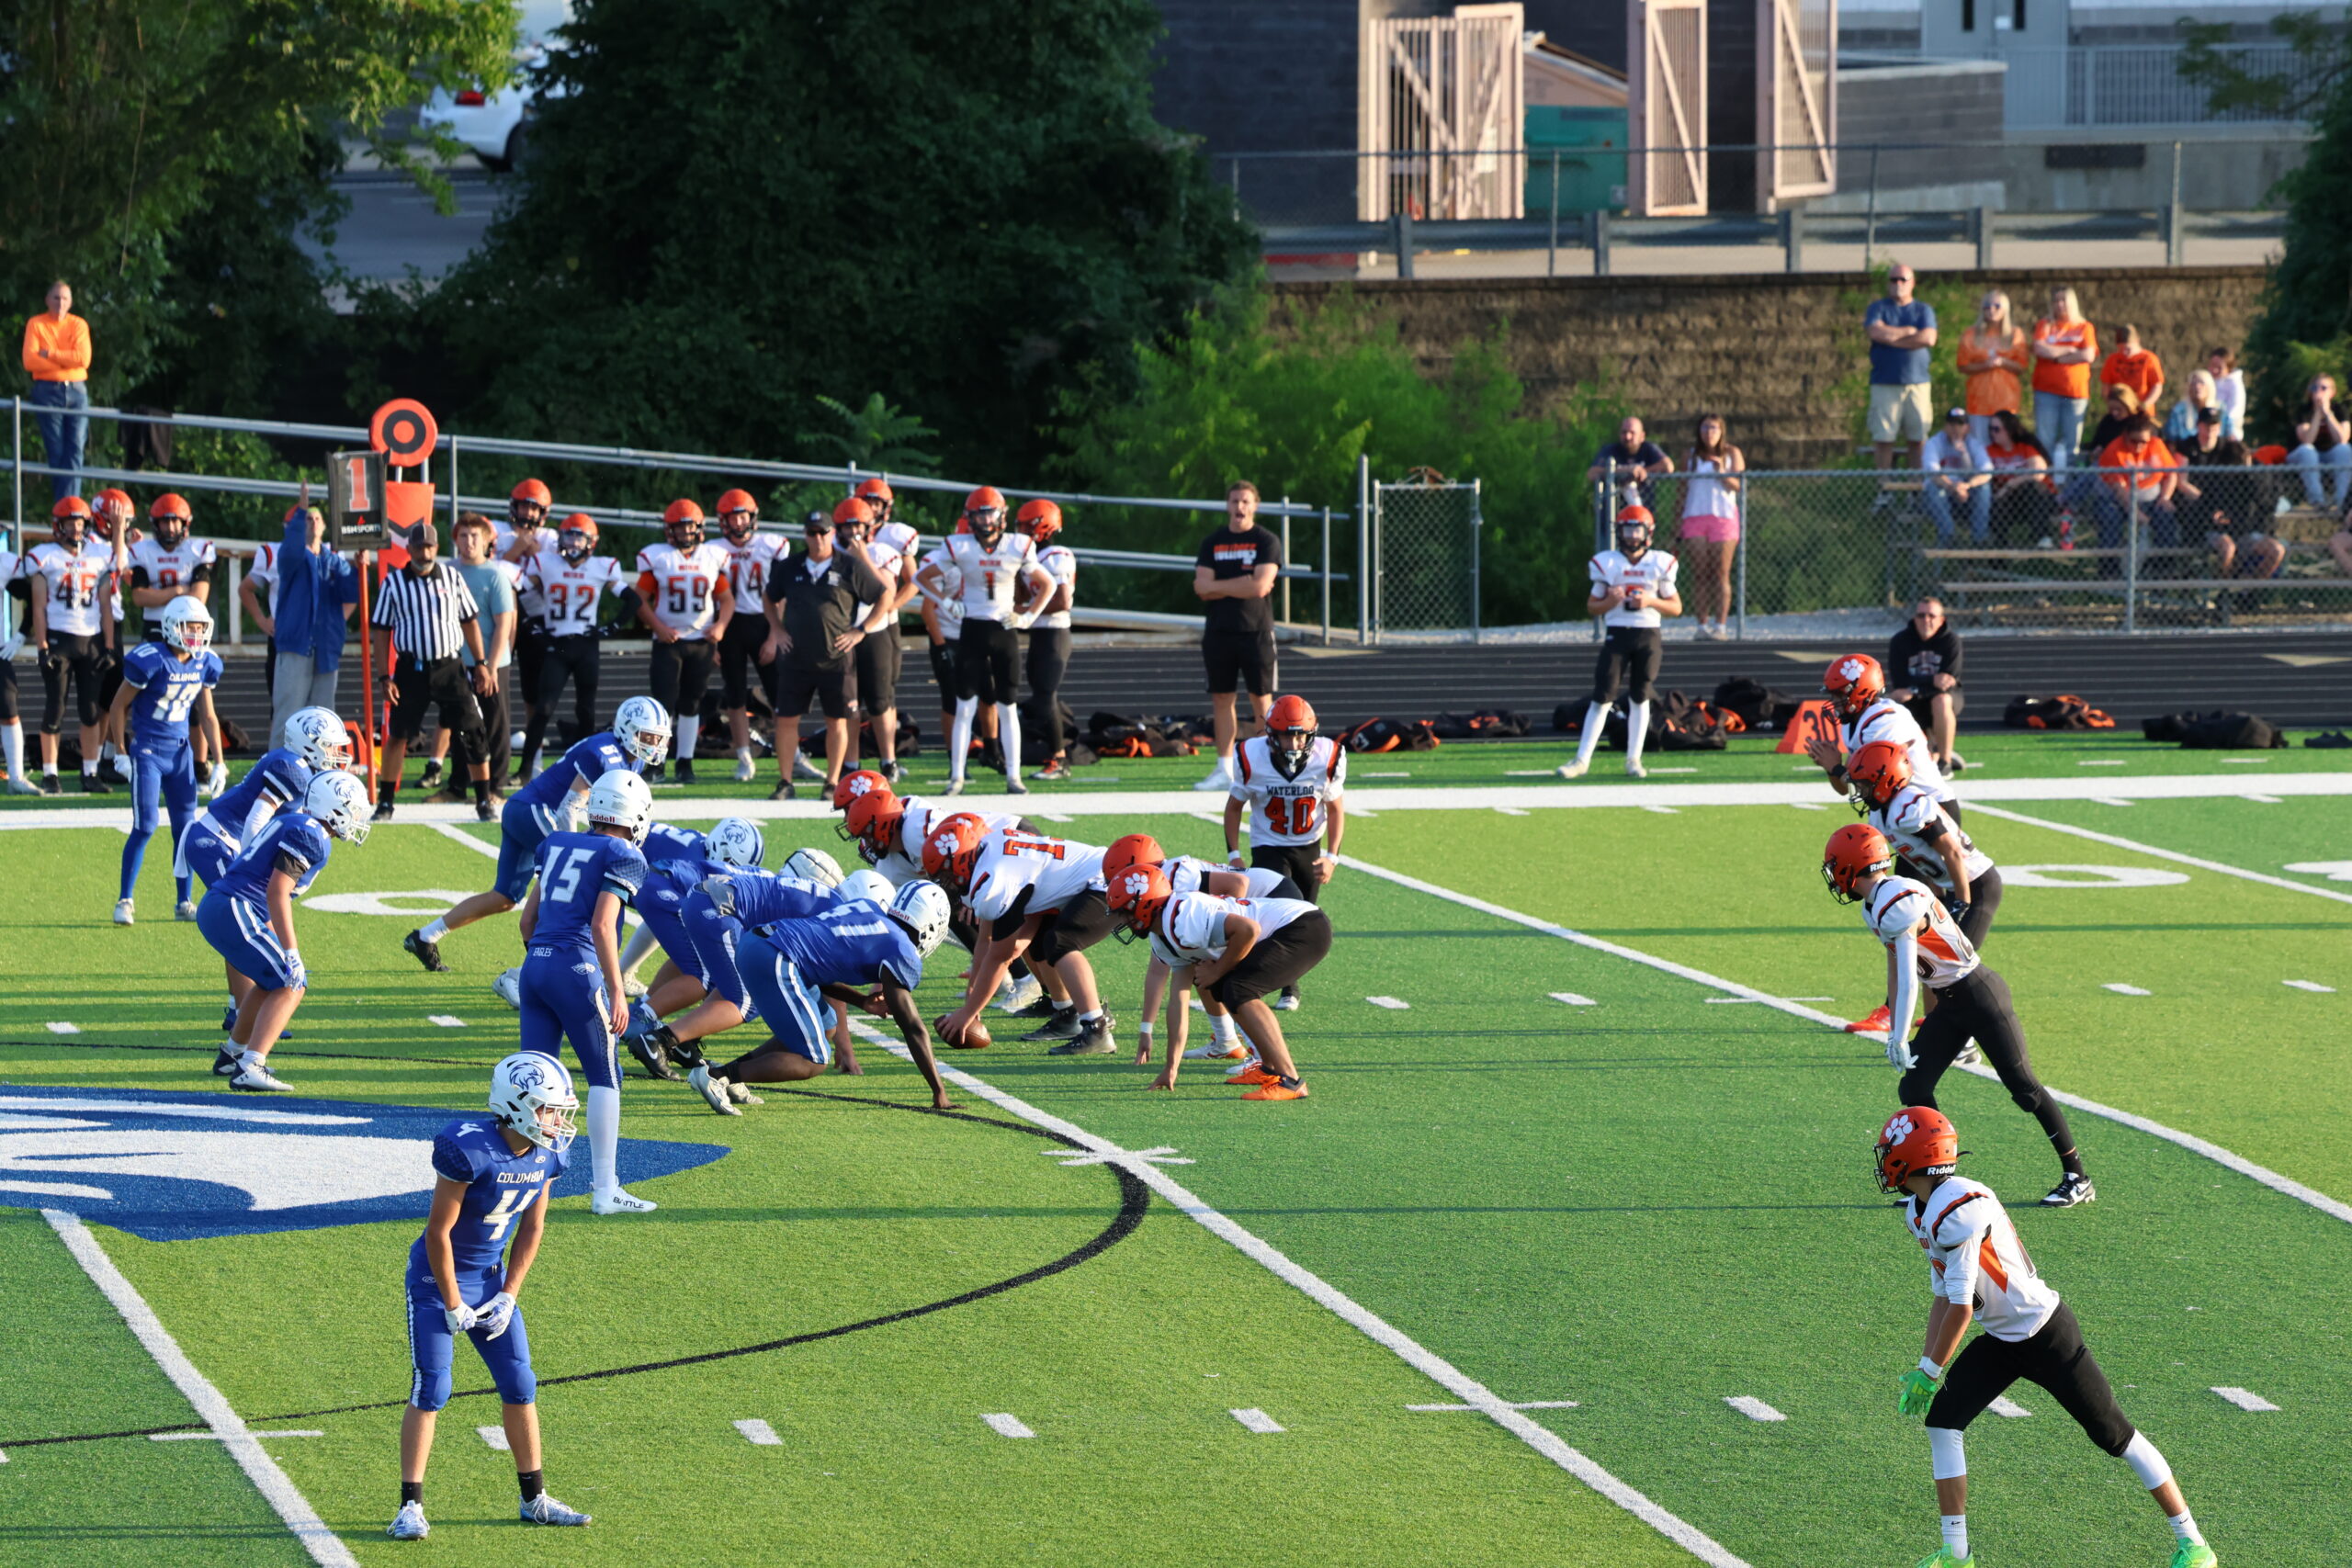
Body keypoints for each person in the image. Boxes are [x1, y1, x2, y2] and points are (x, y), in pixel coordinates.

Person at [1872, 1106, 2215, 1568]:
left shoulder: (1956, 1210)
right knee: (1943, 1424)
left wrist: (1933, 1372)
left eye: (1891, 1152)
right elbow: (1943, 1296)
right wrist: (1923, 1364)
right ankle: (1956, 1554)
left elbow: (1961, 1307)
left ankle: (2194, 1543)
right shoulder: (1922, 1211)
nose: (1885, 1161)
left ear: (1913, 1156)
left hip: (2046, 1333)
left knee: (2115, 1434)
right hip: (2002, 1339)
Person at [1824, 825, 2091, 1208]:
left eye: (1836, 866)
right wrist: (1894, 1029)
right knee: (1914, 1088)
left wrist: (1899, 1035)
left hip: (1978, 995)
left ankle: (2077, 1176)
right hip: (1949, 1004)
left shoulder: (1897, 901)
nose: (1833, 875)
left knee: (2024, 1087)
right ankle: (1937, 1180)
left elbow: (1911, 979)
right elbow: (1896, 968)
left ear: (1851, 867)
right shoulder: (1875, 905)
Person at [390, 1053, 594, 1540]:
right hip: (438, 1281)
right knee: (432, 1387)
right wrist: (452, 1301)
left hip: (490, 1280)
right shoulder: (471, 1149)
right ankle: (409, 1507)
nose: (557, 1121)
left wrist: (508, 1294)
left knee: (520, 1383)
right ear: (517, 1104)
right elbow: (438, 1233)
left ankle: (534, 1500)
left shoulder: (548, 1154)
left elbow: (533, 1227)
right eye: (548, 1109)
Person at [401, 696, 670, 974]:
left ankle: (425, 936)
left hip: (523, 810)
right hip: (537, 811)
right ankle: (549, 968)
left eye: (658, 738)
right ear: (626, 728)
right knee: (577, 885)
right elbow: (569, 806)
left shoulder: (630, 759)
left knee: (504, 897)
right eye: (648, 736)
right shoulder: (605, 753)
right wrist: (578, 849)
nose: (654, 744)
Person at [514, 768, 658, 1215]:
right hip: (577, 969)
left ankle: (522, 1181)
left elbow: (527, 921)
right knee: (605, 1075)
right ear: (635, 815)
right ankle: (605, 1189)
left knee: (536, 1080)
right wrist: (616, 987)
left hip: (534, 967)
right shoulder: (622, 854)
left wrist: (543, 961)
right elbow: (601, 925)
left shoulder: (556, 842)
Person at [693, 878, 957, 1112]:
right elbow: (912, 1027)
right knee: (814, 1059)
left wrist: (862, 1001)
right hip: (777, 956)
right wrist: (939, 1092)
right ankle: (718, 1076)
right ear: (930, 925)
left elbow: (818, 967)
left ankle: (730, 1076)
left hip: (762, 944)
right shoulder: (902, 950)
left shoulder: (868, 908)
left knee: (827, 1024)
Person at [196, 769, 373, 1092]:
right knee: (292, 982)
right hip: (235, 908)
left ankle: (233, 1054)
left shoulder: (297, 823)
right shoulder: (311, 834)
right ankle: (252, 1065)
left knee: (271, 980)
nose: (357, 818)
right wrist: (291, 952)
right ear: (335, 809)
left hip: (223, 908)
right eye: (353, 809)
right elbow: (277, 892)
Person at [179, 705, 351, 1038]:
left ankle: (242, 1008)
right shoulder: (293, 768)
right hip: (218, 840)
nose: (334, 753)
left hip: (222, 840)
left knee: (247, 922)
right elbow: (257, 817)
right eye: (329, 745)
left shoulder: (297, 765)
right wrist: (251, 861)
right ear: (311, 742)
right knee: (242, 920)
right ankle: (247, 1013)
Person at [1110, 864, 1330, 1100]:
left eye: (1126, 911)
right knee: (1224, 987)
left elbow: (1248, 929)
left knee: (1239, 989)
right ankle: (1269, 1068)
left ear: (1146, 904)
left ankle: (1291, 1081)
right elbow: (1178, 1002)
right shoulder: (1163, 937)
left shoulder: (1183, 917)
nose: (1123, 919)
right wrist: (1171, 1067)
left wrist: (1217, 970)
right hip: (1291, 926)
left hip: (1302, 926)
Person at [1102, 833, 1299, 1068]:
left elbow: (1238, 884)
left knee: (1233, 982)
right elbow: (1159, 967)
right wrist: (1146, 1028)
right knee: (1202, 965)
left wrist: (1225, 942)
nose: (1119, 885)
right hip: (1256, 908)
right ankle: (1226, 1041)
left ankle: (1262, 1059)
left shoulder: (1173, 880)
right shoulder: (1158, 899)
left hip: (1273, 897)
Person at [929, 816, 1119, 1055]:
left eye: (946, 876)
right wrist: (971, 1000)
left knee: (1061, 943)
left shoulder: (994, 879)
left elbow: (999, 956)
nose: (946, 884)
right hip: (1084, 879)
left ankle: (1097, 1028)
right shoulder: (988, 854)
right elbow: (986, 942)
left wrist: (968, 1012)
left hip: (1108, 880)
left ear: (962, 863)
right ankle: (1067, 1013)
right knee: (1038, 944)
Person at [920, 487, 1053, 797]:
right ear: (970, 517)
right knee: (964, 706)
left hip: (1004, 630)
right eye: (979, 514)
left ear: (1001, 515)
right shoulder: (960, 546)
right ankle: (956, 777)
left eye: (989, 513)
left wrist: (1028, 617)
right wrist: (946, 602)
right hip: (972, 630)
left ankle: (1014, 776)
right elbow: (921, 577)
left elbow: (1047, 583)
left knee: (1007, 706)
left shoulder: (1018, 545)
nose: (985, 520)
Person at [106, 596, 223, 925]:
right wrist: (120, 751)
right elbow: (117, 706)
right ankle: (125, 900)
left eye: (200, 628)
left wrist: (220, 761)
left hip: (182, 753)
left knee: (185, 830)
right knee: (145, 825)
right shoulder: (151, 659)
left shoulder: (204, 662)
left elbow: (208, 716)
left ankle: (184, 902)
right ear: (172, 627)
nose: (196, 634)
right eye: (189, 627)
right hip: (148, 751)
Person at [1222, 694, 1343, 1010]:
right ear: (1270, 734)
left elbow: (1336, 809)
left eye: (1300, 735)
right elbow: (1234, 807)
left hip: (1308, 846)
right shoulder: (1251, 755)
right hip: (1269, 845)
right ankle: (1266, 983)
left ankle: (1286, 983)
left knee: (1303, 918)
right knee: (1275, 916)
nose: (1294, 743)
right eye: (1287, 736)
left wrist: (1332, 857)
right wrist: (1234, 854)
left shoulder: (1327, 756)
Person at [369, 522, 496, 820]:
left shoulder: (452, 577)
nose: (424, 553)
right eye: (419, 547)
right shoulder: (394, 583)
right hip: (410, 669)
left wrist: (481, 663)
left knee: (473, 731)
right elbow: (381, 631)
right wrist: (384, 676)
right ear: (409, 548)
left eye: (429, 547)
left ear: (436, 548)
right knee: (398, 734)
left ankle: (483, 800)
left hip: (450, 667)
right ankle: (386, 802)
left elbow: (469, 621)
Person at [763, 500, 889, 800]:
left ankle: (832, 782)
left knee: (837, 720)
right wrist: (776, 629)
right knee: (786, 719)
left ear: (833, 533)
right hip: (796, 656)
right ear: (805, 534)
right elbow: (769, 597)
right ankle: (785, 781)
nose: (817, 537)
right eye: (812, 532)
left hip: (836, 656)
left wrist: (861, 631)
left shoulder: (849, 565)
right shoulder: (790, 566)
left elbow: (883, 595)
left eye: (822, 532)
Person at [1558, 505, 1680, 780]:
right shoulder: (1608, 562)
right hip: (1617, 633)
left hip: (1648, 633)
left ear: (1648, 532)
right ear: (1619, 531)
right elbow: (1592, 606)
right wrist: (1610, 601)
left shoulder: (1660, 562)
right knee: (1603, 694)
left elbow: (1676, 607)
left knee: (1640, 695)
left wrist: (1650, 601)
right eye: (1628, 529)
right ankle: (1581, 760)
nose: (1632, 535)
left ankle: (1633, 759)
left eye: (1637, 529)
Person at [1846, 740, 1999, 950]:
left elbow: (1952, 851)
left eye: (1864, 785)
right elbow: (1924, 858)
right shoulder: (1880, 815)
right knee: (1931, 956)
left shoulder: (1908, 807)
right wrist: (1939, 896)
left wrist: (1961, 902)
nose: (1860, 791)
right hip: (1954, 886)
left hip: (1976, 885)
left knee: (1956, 958)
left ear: (1885, 780)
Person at [1189, 480, 1283, 793]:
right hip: (1219, 631)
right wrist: (1242, 582)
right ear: (1227, 505)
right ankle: (1224, 769)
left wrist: (1222, 585)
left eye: (1245, 501)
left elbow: (1260, 587)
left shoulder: (1266, 540)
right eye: (1234, 501)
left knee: (1261, 699)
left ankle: (1266, 768)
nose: (1239, 507)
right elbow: (1201, 587)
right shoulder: (1213, 542)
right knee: (1221, 698)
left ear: (1255, 505)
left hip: (1256, 630)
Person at [515, 514, 625, 779]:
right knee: (543, 708)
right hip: (558, 645)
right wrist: (531, 626)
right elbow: (516, 593)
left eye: (579, 537)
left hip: (586, 645)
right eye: (569, 536)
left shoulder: (603, 566)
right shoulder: (545, 563)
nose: (574, 542)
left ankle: (585, 770)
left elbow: (632, 600)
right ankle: (526, 769)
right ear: (560, 539)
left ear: (591, 542)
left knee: (586, 710)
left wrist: (611, 628)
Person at [635, 499, 733, 784]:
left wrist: (721, 626)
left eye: (689, 527)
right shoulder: (659, 557)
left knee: (692, 704)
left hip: (701, 641)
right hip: (669, 642)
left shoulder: (711, 556)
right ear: (669, 529)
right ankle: (656, 762)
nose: (685, 532)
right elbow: (639, 599)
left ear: (699, 528)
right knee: (662, 705)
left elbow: (726, 599)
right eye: (679, 527)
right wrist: (659, 627)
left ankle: (685, 762)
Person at [23, 496, 118, 794]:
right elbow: (38, 607)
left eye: (79, 523)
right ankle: (50, 773)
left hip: (91, 640)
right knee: (55, 708)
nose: (75, 528)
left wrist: (109, 646)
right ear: (58, 525)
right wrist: (42, 647)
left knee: (90, 711)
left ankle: (90, 771)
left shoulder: (100, 555)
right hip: (58, 639)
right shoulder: (44, 556)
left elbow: (106, 606)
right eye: (69, 523)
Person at [265, 503, 357, 753]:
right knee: (288, 716)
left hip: (326, 650)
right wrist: (300, 509)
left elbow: (352, 593)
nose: (313, 522)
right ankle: (276, 771)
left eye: (317, 518)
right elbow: (290, 551)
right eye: (308, 519)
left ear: (324, 526)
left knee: (324, 721)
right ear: (298, 526)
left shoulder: (333, 561)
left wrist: (359, 565)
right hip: (296, 647)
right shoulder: (290, 556)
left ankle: (321, 772)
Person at [712, 489, 786, 783]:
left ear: (753, 517)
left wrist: (775, 634)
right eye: (734, 517)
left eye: (743, 516)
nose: (740, 522)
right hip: (730, 626)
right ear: (723, 521)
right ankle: (744, 756)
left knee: (780, 695)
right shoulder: (713, 550)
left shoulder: (771, 545)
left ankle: (790, 753)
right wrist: (714, 640)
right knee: (735, 695)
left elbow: (781, 594)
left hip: (764, 623)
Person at [850, 479, 920, 783]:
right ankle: (852, 761)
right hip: (852, 621)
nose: (871, 508)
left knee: (884, 694)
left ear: (886, 507)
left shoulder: (895, 536)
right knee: (850, 698)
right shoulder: (845, 531)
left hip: (884, 625)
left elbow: (913, 582)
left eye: (876, 503)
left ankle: (887, 759)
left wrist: (890, 607)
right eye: (867, 501)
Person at [446, 513, 517, 798]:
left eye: (475, 535)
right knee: (459, 724)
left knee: (495, 724)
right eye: (463, 535)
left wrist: (490, 665)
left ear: (487, 541)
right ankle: (458, 786)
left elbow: (504, 624)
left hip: (491, 662)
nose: (469, 541)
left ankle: (496, 786)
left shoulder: (495, 575)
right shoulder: (448, 572)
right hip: (456, 661)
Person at [2173, 409, 2280, 581]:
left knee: (2276, 550)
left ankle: (2249, 588)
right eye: (2206, 425)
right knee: (2228, 548)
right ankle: (2225, 588)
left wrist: (2249, 471)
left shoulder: (2253, 475)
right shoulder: (2214, 472)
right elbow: (2199, 497)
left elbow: (2266, 502)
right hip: (2215, 527)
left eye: (2214, 425)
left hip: (2244, 529)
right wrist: (2213, 512)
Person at [1012, 498, 1078, 777]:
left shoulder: (1056, 555)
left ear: (1042, 527)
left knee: (1045, 697)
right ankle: (1055, 755)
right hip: (1039, 633)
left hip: (1055, 633)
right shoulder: (1033, 556)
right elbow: (1020, 596)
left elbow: (1062, 600)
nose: (1021, 531)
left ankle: (1059, 759)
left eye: (1026, 526)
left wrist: (1024, 611)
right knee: (1042, 695)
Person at [1864, 264, 1938, 489]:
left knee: (1917, 438)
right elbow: (1876, 332)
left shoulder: (1923, 310)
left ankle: (1916, 487)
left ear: (1912, 283)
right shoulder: (1878, 308)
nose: (1898, 284)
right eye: (1893, 279)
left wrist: (1892, 338)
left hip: (1918, 384)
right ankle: (1884, 487)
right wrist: (1908, 332)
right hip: (1885, 383)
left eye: (1903, 279)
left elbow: (1928, 338)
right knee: (1884, 438)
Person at [23, 280, 91, 502]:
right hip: (47, 391)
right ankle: (66, 510)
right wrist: (67, 363)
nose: (60, 303)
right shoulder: (36, 324)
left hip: (77, 391)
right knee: (56, 450)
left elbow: (83, 359)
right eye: (56, 297)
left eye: (65, 298)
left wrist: (50, 354)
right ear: (47, 300)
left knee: (75, 450)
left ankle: (69, 510)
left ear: (70, 302)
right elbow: (30, 361)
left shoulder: (79, 325)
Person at [1677, 413, 1742, 640]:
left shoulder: (1731, 453)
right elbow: (1682, 488)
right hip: (1694, 516)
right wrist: (1677, 522)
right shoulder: (1690, 456)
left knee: (1721, 573)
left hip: (1723, 518)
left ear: (1721, 431)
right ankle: (1702, 625)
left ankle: (1720, 626)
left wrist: (1722, 472)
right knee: (1700, 573)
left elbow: (1738, 484)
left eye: (1714, 428)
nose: (1709, 433)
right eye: (1705, 428)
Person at [1885, 599, 1965, 773]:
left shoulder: (1951, 641)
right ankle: (1894, 757)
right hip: (1914, 695)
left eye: (1931, 616)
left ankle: (1944, 761)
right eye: (1921, 615)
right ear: (1914, 618)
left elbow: (1946, 683)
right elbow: (1900, 681)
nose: (1926, 620)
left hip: (1944, 698)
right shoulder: (1900, 641)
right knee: (1892, 701)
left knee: (1941, 700)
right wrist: (1931, 680)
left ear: (1941, 620)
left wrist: (1916, 688)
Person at [2030, 286, 2098, 472]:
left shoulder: (2084, 327)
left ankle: (2069, 483)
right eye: (2055, 301)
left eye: (2063, 300)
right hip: (2046, 391)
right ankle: (2047, 480)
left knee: (2072, 442)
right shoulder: (2045, 325)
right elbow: (2039, 348)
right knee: (2045, 440)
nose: (2059, 305)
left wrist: (2056, 358)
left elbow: (2088, 355)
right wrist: (2068, 350)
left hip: (2075, 393)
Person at [2092, 416, 2182, 555]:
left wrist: (2165, 497)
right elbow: (2119, 489)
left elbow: (2171, 474)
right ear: (2126, 436)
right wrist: (2135, 513)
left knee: (2165, 516)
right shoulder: (2115, 450)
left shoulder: (2156, 445)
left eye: (2143, 442)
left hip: (2150, 499)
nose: (2139, 446)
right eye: (2134, 441)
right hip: (2116, 500)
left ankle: (2162, 563)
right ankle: (2109, 564)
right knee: (2110, 518)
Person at [1955, 290, 2028, 446]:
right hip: (1979, 401)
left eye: (1997, 306)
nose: (1991, 310)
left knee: (2006, 445)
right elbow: (1962, 365)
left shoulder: (2015, 334)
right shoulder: (1971, 334)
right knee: (1980, 446)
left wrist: (2003, 362)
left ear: (2005, 308)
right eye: (1987, 306)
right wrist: (1985, 366)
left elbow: (2022, 366)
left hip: (2006, 401)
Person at [1920, 409, 1992, 547]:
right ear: (1945, 426)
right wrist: (1952, 487)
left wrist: (1967, 485)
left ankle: (1979, 540)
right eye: (1952, 424)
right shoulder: (1934, 443)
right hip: (1943, 492)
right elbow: (1932, 472)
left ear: (1967, 427)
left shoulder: (1973, 444)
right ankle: (1949, 536)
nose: (1956, 428)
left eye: (1960, 424)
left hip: (1966, 494)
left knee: (1984, 488)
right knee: (1933, 488)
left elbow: (1987, 471)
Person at [1984, 411, 2056, 547]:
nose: (1992, 433)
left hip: (2035, 499)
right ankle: (2001, 544)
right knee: (1997, 501)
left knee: (2031, 486)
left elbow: (2039, 472)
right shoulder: (1989, 451)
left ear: (2009, 430)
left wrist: (2012, 483)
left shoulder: (2024, 447)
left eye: (1997, 429)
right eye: (1990, 429)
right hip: (2008, 500)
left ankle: (2043, 537)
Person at [2287, 372, 2350, 512]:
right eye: (2314, 388)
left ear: (2332, 392)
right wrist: (2317, 414)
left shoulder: (2339, 409)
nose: (2319, 391)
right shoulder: (2303, 410)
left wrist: (2327, 413)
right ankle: (2317, 501)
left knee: (2344, 449)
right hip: (2302, 457)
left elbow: (2342, 439)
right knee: (2308, 451)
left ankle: (2341, 502)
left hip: (2329, 455)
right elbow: (2307, 440)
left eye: (2323, 388)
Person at [1587, 414, 1675, 513]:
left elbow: (1668, 466)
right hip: (1614, 513)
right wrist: (1625, 471)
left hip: (1642, 513)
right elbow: (1591, 474)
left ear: (1642, 436)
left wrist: (1642, 472)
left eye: (1632, 433)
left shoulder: (1648, 449)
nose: (1627, 437)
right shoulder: (1610, 450)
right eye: (1624, 432)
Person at [2098, 323, 2164, 416]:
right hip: (2119, 413)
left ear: (2137, 341)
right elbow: (2106, 386)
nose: (2125, 353)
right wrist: (2111, 404)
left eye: (2128, 349)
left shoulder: (2149, 359)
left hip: (2142, 412)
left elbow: (2157, 386)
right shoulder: (2112, 360)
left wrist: (2146, 403)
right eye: (2121, 349)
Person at [2162, 367, 2221, 445]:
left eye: (2202, 383)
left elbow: (2228, 435)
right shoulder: (2179, 411)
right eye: (2194, 383)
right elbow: (2171, 435)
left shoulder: (2220, 410)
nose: (2197, 386)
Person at [2206, 346, 2245, 440]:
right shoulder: (2209, 381)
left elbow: (2233, 413)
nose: (2214, 370)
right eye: (2212, 365)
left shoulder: (2235, 385)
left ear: (2229, 368)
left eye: (2219, 368)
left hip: (2227, 436)